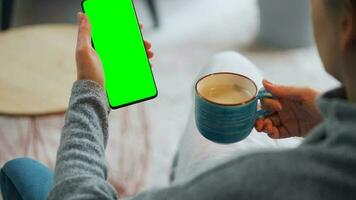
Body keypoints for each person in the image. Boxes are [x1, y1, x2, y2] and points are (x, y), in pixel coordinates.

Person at [1, 0, 356, 199]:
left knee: (21, 171)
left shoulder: (258, 182)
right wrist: (326, 119)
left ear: (346, 26)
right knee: (228, 64)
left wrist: (90, 92)